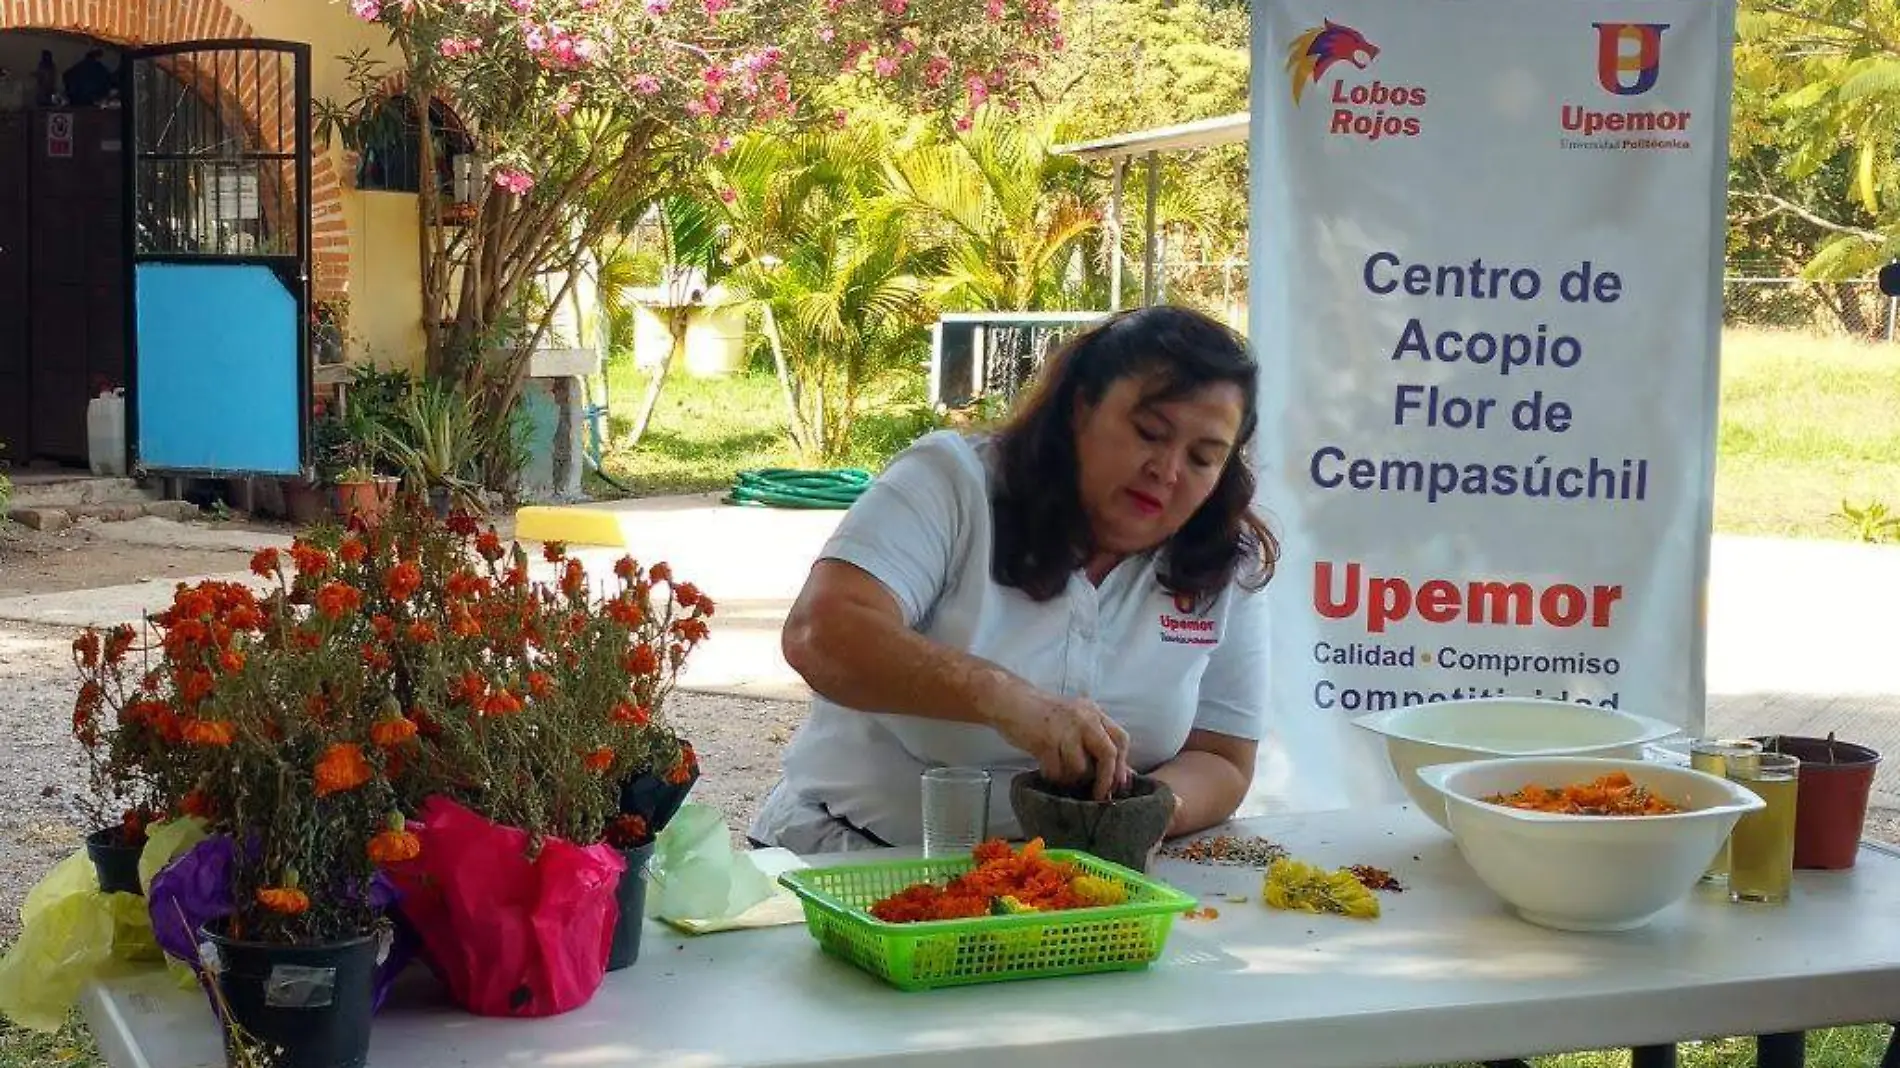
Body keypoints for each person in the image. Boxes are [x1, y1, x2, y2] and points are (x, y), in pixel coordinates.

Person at [749, 305, 1279, 855]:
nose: (1167, 471)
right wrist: (1007, 700)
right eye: (1149, 432)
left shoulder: (1224, 558)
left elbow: (1222, 757)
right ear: (1080, 409)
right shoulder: (954, 482)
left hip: (1074, 891)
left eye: (1202, 458)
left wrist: (1145, 809)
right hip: (852, 858)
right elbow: (822, 633)